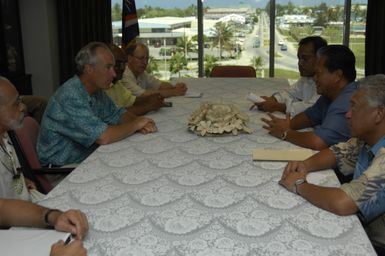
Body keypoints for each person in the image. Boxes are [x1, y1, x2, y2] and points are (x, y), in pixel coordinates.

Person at [279, 74, 385, 252]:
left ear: (379, 114)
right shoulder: (367, 139)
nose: (348, 114)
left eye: (354, 107)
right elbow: (336, 153)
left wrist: (298, 184)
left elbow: (343, 203)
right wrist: (304, 165)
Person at [0, 76, 88, 255]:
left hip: (19, 219)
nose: (23, 107)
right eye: (16, 103)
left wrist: (53, 216)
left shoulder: (6, 134)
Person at [37, 42, 157, 167]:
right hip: (62, 169)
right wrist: (136, 124)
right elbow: (103, 136)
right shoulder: (70, 96)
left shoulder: (95, 91)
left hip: (86, 157)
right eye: (108, 67)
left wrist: (142, 122)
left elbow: (117, 114)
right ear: (89, 69)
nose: (114, 74)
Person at [262, 45, 357, 150]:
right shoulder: (330, 94)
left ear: (337, 76)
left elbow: (318, 142)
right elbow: (308, 117)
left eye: (319, 73)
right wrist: (287, 124)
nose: (315, 78)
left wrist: (285, 133)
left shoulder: (348, 101)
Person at [254, 36, 327, 116]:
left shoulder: (327, 82)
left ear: (320, 59)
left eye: (305, 58)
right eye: (299, 59)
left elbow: (312, 108)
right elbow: (291, 93)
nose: (300, 63)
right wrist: (273, 99)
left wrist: (277, 106)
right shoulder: (307, 78)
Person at [104, 44, 164, 115]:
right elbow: (114, 115)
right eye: (117, 64)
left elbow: (132, 100)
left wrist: (150, 99)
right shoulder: (99, 88)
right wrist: (149, 106)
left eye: (124, 63)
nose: (123, 67)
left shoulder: (116, 83)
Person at [122, 42, 188, 98]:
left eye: (147, 59)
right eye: (141, 58)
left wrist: (175, 87)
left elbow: (160, 85)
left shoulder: (141, 74)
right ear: (130, 58)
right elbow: (143, 95)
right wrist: (174, 92)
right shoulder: (124, 75)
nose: (145, 62)